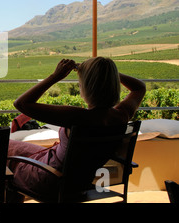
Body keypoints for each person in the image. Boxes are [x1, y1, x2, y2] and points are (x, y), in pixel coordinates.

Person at [8, 57, 146, 202]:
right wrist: (106, 74)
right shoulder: (122, 116)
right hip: (80, 183)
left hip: (51, 180)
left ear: (86, 86)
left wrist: (56, 76)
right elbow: (139, 87)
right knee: (12, 147)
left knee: (9, 164)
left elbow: (21, 103)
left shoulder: (77, 117)